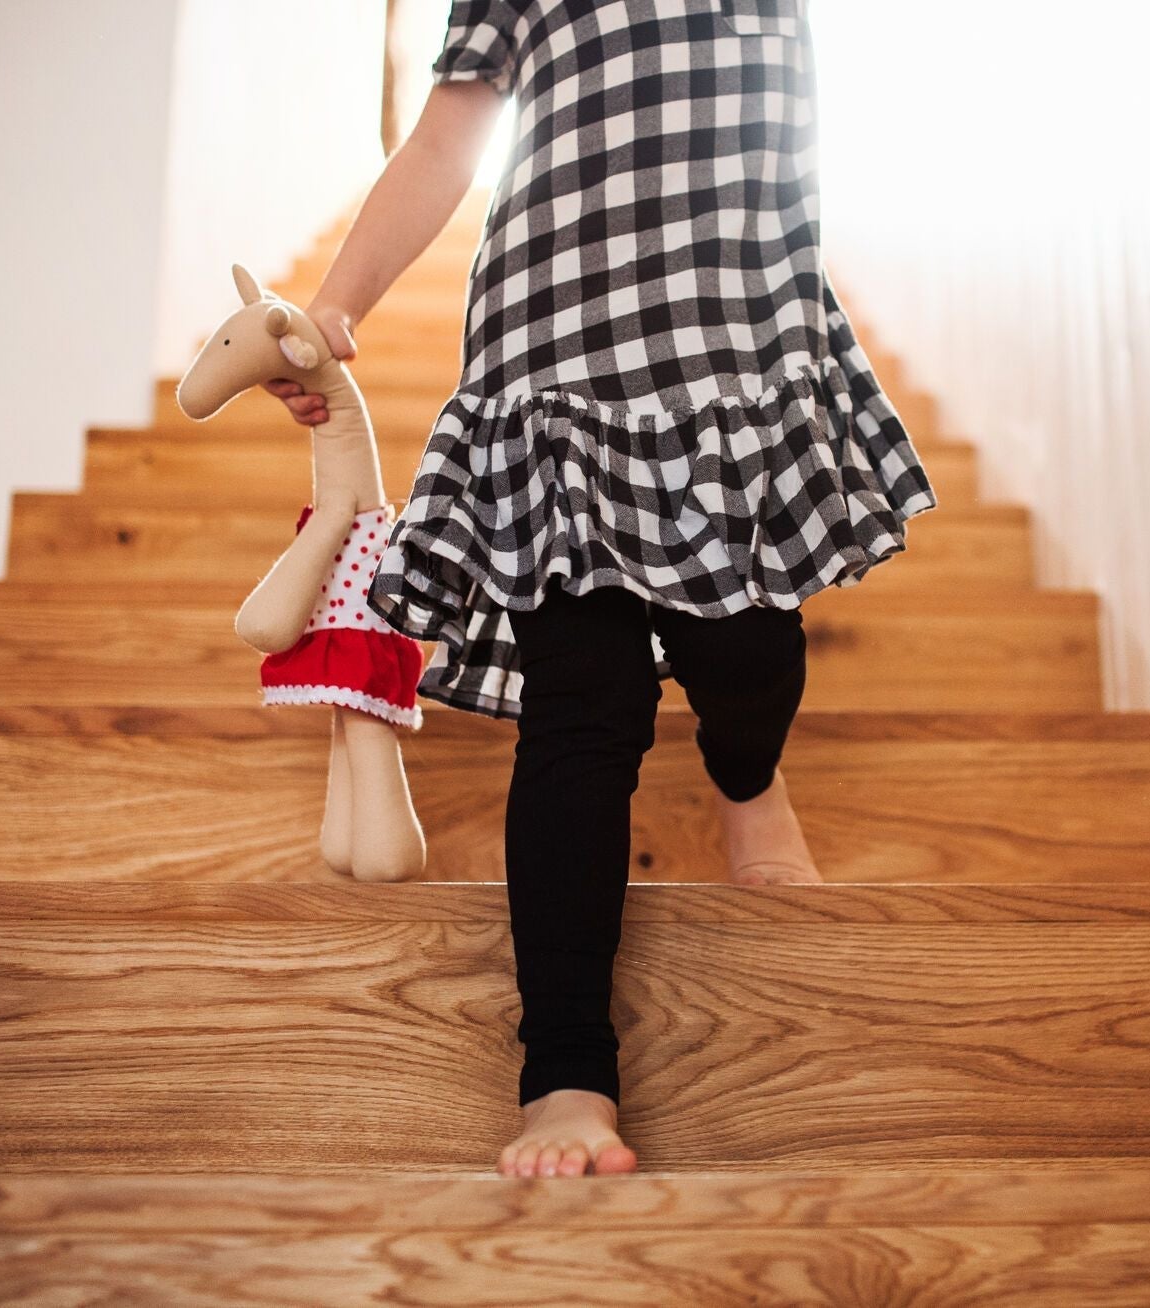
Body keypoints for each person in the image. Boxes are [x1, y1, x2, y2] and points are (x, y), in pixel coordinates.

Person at [267, 0, 935, 1178]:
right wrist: (337, 306)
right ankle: (562, 1075)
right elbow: (445, 138)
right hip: (552, 355)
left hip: (728, 340)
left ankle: (746, 776)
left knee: (747, 653)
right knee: (580, 719)